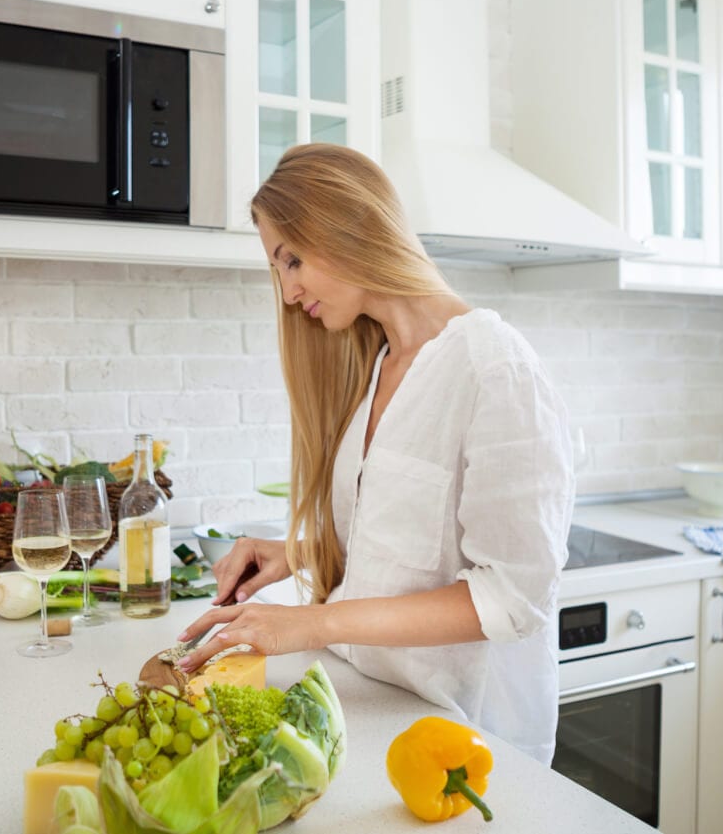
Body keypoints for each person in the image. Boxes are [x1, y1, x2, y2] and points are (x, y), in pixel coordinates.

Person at [176, 143, 575, 765]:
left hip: (465, 741)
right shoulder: (380, 366)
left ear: (349, 226)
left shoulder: (494, 365)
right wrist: (300, 553)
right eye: (278, 269)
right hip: (372, 710)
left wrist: (307, 623)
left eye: (292, 260)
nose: (287, 292)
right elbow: (415, 551)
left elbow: (512, 597)